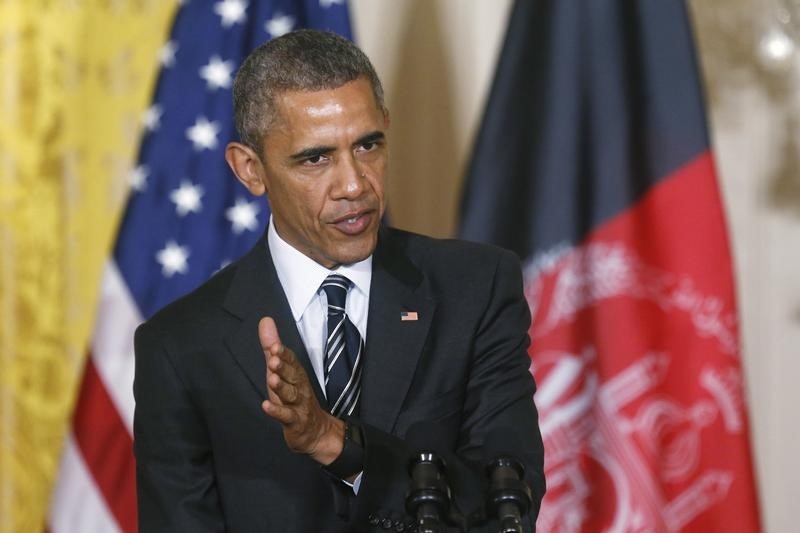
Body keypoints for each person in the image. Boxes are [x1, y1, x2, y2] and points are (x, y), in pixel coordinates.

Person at [133, 29, 545, 532]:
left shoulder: (476, 288)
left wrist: (333, 441)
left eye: (368, 145)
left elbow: (508, 507)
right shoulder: (179, 347)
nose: (355, 185)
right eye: (316, 158)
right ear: (250, 169)